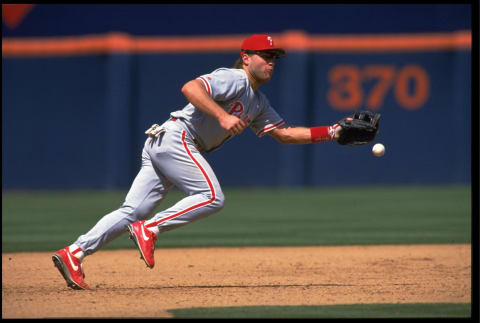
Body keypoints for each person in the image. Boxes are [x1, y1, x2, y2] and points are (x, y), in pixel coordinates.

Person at [52, 34, 344, 290]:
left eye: (274, 57)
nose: (271, 62)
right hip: (179, 137)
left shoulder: (258, 102)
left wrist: (333, 132)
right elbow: (190, 88)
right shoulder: (234, 78)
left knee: (132, 210)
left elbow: (285, 134)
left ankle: (74, 253)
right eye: (266, 56)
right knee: (212, 197)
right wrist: (222, 115)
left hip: (164, 142)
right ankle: (150, 229)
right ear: (245, 58)